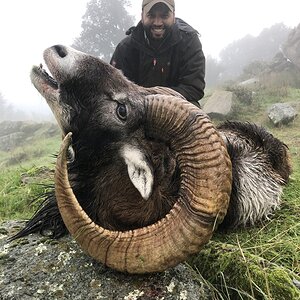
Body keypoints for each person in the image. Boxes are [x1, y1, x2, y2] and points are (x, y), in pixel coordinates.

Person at [110, 0, 205, 108]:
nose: (158, 23)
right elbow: (114, 91)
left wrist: (153, 98)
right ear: (142, 16)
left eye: (164, 16)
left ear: (173, 16)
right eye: (151, 15)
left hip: (175, 107)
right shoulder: (125, 47)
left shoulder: (189, 41)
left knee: (195, 111)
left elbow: (194, 88)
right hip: (136, 109)